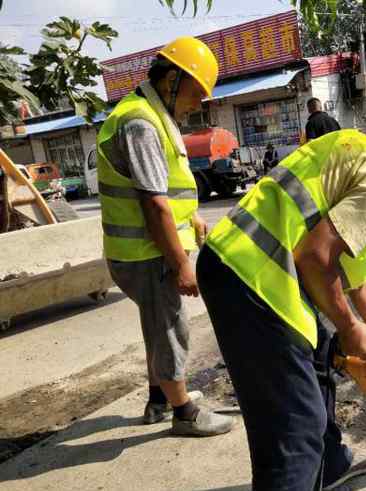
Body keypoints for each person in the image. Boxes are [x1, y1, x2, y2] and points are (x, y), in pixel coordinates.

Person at [196, 119, 366, 490]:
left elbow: (355, 275)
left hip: (247, 267)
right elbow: (316, 257)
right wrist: (349, 327)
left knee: (320, 362)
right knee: (296, 428)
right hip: (253, 277)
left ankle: (331, 466)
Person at [96, 37, 233, 436]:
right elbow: (154, 204)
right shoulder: (140, 122)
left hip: (143, 249)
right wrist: (181, 264)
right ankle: (183, 412)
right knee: (171, 327)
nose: (196, 105)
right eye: (194, 94)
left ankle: (159, 399)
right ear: (172, 79)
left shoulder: (152, 116)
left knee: (156, 324)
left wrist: (192, 222)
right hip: (146, 252)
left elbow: (169, 195)